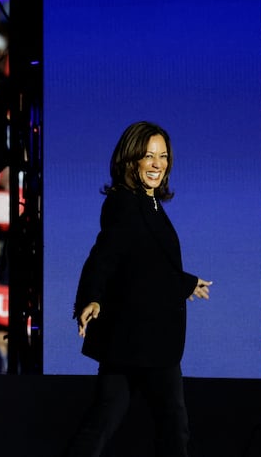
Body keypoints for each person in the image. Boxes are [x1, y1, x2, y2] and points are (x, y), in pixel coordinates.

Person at [66, 121, 213, 457]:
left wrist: (185, 282)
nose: (157, 163)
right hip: (143, 340)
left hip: (138, 340)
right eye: (148, 156)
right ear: (131, 160)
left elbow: (147, 262)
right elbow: (106, 255)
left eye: (162, 156)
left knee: (104, 423)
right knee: (173, 428)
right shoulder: (124, 203)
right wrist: (92, 296)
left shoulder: (149, 204)